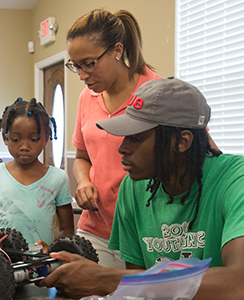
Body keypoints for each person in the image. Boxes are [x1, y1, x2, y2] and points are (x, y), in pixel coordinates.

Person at [38, 77, 244, 299]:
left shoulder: (235, 179)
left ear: (182, 142)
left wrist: (103, 279)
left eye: (136, 138)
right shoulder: (133, 187)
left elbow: (238, 283)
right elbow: (139, 289)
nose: (122, 148)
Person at [66, 8, 161, 268]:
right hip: (95, 229)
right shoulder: (87, 97)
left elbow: (201, 152)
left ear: (117, 50)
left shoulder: (156, 93)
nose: (83, 75)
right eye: (76, 66)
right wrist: (83, 181)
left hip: (144, 232)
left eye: (89, 63)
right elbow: (82, 157)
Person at [0, 98, 74, 247]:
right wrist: (1, 242)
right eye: (16, 139)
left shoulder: (58, 178)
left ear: (46, 138)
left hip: (43, 264)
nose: (24, 146)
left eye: (34, 139)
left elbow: (67, 229)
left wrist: (51, 250)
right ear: (5, 137)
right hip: (5, 260)